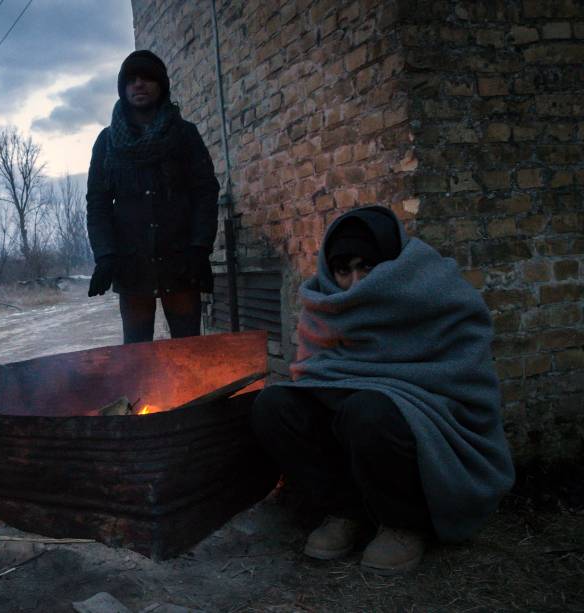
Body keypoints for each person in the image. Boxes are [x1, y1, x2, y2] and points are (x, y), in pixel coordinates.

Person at [251, 205, 515, 574]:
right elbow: (316, 374)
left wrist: (380, 393)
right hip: (353, 413)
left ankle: (404, 524)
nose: (357, 283)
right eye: (344, 271)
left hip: (424, 413)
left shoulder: (435, 291)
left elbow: (463, 376)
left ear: (393, 262)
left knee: (370, 411)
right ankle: (344, 511)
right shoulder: (325, 306)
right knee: (274, 404)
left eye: (368, 267)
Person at [86, 50, 220, 343]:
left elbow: (205, 192)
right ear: (122, 89)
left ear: (161, 85)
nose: (139, 84)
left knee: (189, 352)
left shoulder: (185, 135)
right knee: (137, 359)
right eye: (131, 80)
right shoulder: (107, 142)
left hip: (181, 261)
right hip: (131, 266)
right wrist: (105, 255)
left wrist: (200, 247)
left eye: (146, 78)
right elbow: (97, 205)